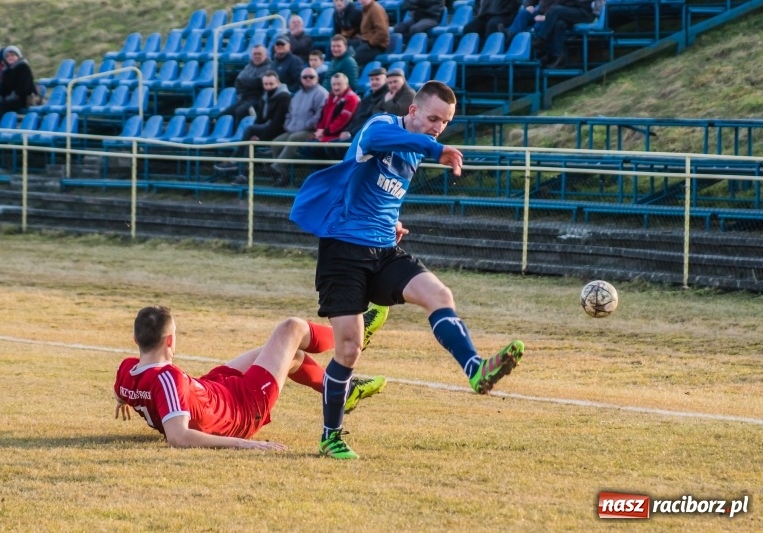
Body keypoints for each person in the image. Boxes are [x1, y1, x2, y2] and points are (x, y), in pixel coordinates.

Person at [290, 81, 525, 459]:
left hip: (384, 250)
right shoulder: (381, 126)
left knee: (439, 295)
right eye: (433, 118)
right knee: (348, 348)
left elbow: (383, 192)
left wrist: (393, 222)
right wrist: (436, 149)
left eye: (445, 123)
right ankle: (330, 436)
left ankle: (475, 369)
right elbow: (382, 141)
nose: (437, 128)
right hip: (343, 251)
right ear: (412, 110)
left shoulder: (417, 148)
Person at [114, 305, 388, 449]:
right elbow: (179, 437)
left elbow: (123, 392)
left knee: (289, 355)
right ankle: (354, 332)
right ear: (170, 341)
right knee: (291, 329)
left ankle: (346, 392)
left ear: (135, 339)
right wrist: (245, 444)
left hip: (214, 387)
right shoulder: (168, 378)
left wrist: (126, 399)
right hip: (240, 409)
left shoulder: (127, 370)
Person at [215, 71, 291, 183]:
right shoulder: (265, 96)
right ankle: (243, 174)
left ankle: (234, 161)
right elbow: (259, 119)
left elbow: (278, 122)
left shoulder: (284, 97)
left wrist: (260, 136)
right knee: (250, 139)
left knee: (250, 130)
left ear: (278, 83)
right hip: (269, 129)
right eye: (266, 84)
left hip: (281, 130)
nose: (268, 87)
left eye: (271, 84)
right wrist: (257, 134)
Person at [269, 67, 329, 186]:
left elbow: (319, 114)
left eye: (311, 77)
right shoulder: (298, 94)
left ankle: (277, 166)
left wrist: (306, 125)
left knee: (294, 138)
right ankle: (283, 176)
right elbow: (289, 113)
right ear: (301, 79)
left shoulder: (321, 93)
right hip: (293, 129)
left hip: (311, 131)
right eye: (305, 77)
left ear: (317, 78)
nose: (308, 79)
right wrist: (288, 125)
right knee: (275, 143)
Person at [322, 66, 389, 160]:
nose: (374, 82)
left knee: (336, 147)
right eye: (372, 79)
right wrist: (347, 131)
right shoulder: (368, 98)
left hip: (367, 135)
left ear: (385, 80)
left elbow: (371, 120)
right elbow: (356, 118)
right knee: (330, 146)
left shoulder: (387, 97)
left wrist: (351, 132)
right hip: (356, 133)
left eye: (377, 79)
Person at [532, 0, 595, 68]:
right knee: (559, 24)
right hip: (572, 10)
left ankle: (541, 40)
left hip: (585, 12)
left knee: (555, 10)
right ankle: (557, 56)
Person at [222, 44, 272, 127]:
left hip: (260, 99)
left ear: (265, 55)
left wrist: (246, 83)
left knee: (240, 112)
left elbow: (259, 83)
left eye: (259, 54)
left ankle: (240, 134)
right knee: (224, 114)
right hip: (244, 98)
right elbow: (237, 82)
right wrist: (251, 84)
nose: (257, 56)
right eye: (255, 54)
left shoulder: (270, 67)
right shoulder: (249, 66)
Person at [314, 73, 360, 143]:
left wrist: (324, 132)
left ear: (346, 84)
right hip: (326, 135)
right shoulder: (331, 97)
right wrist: (320, 129)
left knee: (311, 145)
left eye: (339, 84)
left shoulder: (351, 98)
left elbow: (342, 120)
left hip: (337, 136)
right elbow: (323, 116)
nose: (336, 87)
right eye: (334, 84)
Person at [0, 45, 38, 115]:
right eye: (7, 56)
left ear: (18, 56)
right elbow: (4, 88)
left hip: (25, 98)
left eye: (12, 55)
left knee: (1, 106)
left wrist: (11, 96)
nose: (10, 57)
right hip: (12, 98)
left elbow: (24, 87)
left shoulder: (23, 67)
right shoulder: (7, 70)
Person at [349, 0, 390, 68]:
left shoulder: (376, 9)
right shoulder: (366, 9)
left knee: (351, 61)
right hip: (365, 42)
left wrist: (371, 43)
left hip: (376, 46)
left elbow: (382, 31)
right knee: (346, 46)